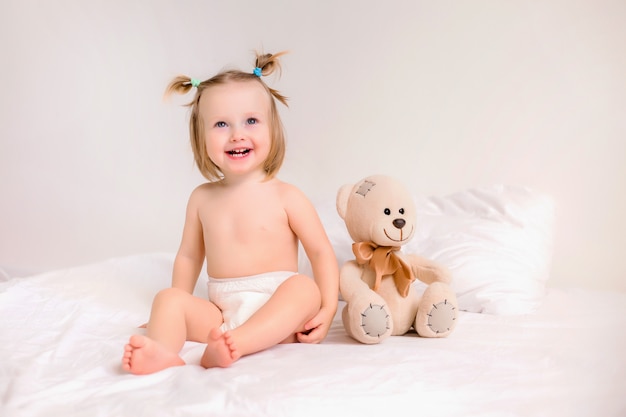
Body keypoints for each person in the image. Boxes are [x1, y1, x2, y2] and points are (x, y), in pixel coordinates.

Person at [121, 51, 339, 374]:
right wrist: (176, 312)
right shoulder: (202, 199)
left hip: (278, 308)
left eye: (251, 121)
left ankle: (237, 343)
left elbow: (321, 252)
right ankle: (163, 351)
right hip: (221, 313)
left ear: (272, 129)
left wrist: (329, 306)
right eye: (221, 124)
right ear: (201, 136)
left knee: (305, 290)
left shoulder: (287, 196)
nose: (237, 134)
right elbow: (189, 257)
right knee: (166, 299)